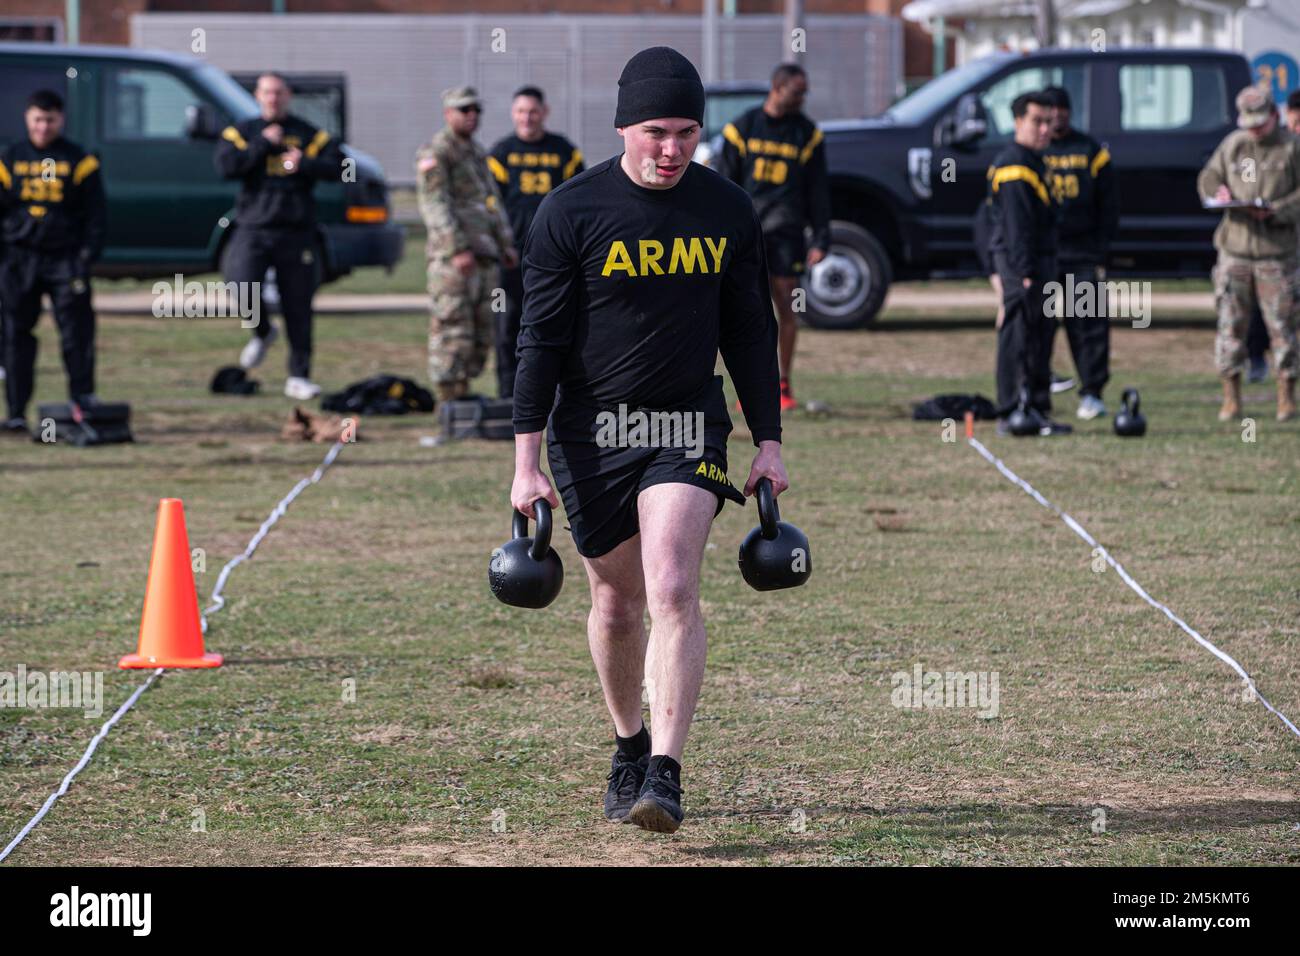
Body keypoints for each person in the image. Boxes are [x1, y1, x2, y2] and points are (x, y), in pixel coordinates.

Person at [510, 47, 784, 833]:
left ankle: (664, 773)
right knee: (617, 600)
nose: (672, 150)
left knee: (669, 587)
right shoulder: (570, 212)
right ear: (625, 125)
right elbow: (538, 346)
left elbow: (751, 334)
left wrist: (768, 441)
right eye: (658, 132)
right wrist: (526, 467)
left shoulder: (726, 209)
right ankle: (627, 746)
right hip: (592, 429)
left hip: (684, 422)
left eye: (688, 134)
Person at [215, 72, 343, 400]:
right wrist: (263, 145)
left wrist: (306, 164)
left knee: (298, 304)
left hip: (296, 231)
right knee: (241, 284)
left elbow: (343, 168)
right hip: (253, 227)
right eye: (267, 93)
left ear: (288, 96)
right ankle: (262, 331)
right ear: (257, 96)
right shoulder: (243, 132)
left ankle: (299, 376)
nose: (274, 98)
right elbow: (226, 166)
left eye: (280, 93)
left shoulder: (307, 133)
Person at [718, 62, 831, 412]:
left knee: (787, 305)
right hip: (748, 235)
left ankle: (783, 385)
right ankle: (751, 386)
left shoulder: (807, 134)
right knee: (750, 311)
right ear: (777, 88)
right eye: (797, 92)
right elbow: (724, 186)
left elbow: (818, 191)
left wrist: (821, 238)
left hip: (787, 234)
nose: (802, 98)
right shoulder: (742, 129)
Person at [0, 89, 106, 435]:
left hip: (65, 261)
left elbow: (96, 216)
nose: (43, 127)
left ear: (61, 120)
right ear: (27, 119)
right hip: (21, 260)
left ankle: (82, 402)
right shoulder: (10, 159)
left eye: (50, 120)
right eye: (37, 120)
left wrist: (86, 257)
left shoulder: (80, 160)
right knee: (15, 334)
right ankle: (16, 412)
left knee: (76, 333)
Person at [1197, 86, 1300, 422]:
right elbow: (1208, 177)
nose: (1255, 130)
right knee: (1231, 325)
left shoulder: (1291, 147)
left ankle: (1286, 396)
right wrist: (1218, 191)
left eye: (1261, 123)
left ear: (1274, 115)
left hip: (1277, 254)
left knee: (1282, 327)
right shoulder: (1234, 145)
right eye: (1249, 123)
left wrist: (1277, 211)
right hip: (1235, 252)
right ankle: (1231, 398)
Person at [418, 86, 517, 403]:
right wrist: (456, 248)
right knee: (453, 326)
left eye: (476, 110)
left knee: (479, 329)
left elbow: (490, 202)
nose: (472, 115)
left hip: (484, 255)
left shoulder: (475, 151)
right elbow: (435, 205)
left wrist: (505, 244)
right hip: (454, 260)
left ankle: (463, 395)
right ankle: (449, 402)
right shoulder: (438, 151)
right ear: (448, 114)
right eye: (464, 110)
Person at [488, 86, 583, 399]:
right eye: (520, 111)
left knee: (557, 321)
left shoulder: (564, 151)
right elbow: (489, 205)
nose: (526, 118)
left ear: (545, 112)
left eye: (532, 111)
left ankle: (559, 393)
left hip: (554, 254)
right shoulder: (500, 153)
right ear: (513, 114)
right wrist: (499, 245)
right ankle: (508, 395)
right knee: (507, 323)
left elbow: (581, 201)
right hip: (511, 255)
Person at [988, 91, 1071, 436]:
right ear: (1018, 122)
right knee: (1019, 335)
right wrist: (1022, 272)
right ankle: (1011, 410)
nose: (1044, 130)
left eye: (1048, 123)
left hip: (1043, 261)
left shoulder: (1037, 162)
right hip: (1023, 264)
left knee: (1041, 335)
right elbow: (1016, 225)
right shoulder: (1014, 166)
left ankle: (1037, 407)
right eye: (1036, 121)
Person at [1040, 86, 1119, 420]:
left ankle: (1092, 392)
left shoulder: (1090, 150)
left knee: (1087, 325)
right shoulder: (1032, 152)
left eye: (1062, 108)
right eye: (1049, 109)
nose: (1056, 115)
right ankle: (1036, 390)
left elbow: (1109, 205)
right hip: (1043, 255)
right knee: (1038, 326)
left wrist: (1101, 250)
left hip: (1082, 254)